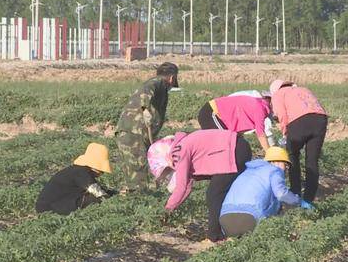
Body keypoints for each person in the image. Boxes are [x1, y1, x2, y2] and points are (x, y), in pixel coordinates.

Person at [148, 130, 252, 242]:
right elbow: (186, 186)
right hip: (236, 148)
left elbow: (181, 187)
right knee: (219, 191)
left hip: (234, 150)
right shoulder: (181, 145)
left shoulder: (178, 152)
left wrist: (166, 210)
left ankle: (215, 237)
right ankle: (232, 228)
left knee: (214, 194)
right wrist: (170, 209)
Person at [115, 62, 179, 194]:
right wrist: (145, 109)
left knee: (134, 171)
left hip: (132, 134)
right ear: (172, 78)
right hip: (133, 133)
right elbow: (146, 91)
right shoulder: (157, 82)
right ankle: (140, 203)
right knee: (138, 173)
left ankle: (136, 199)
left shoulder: (160, 87)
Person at [269, 79, 327, 209]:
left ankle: (295, 193)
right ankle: (308, 200)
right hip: (320, 119)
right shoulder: (304, 89)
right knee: (312, 161)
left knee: (292, 155)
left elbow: (282, 116)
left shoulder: (279, 94)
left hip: (300, 121)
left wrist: (285, 133)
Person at [219, 147, 301, 237]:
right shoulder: (274, 171)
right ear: (277, 162)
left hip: (225, 219)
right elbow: (281, 194)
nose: (286, 169)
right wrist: (298, 201)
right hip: (250, 218)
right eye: (286, 165)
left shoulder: (247, 171)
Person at [36, 143, 116, 215]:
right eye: (101, 171)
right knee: (94, 199)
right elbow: (98, 193)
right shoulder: (81, 172)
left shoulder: (78, 170)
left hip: (50, 205)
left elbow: (98, 188)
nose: (101, 174)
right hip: (50, 208)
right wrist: (113, 199)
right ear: (96, 168)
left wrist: (114, 193)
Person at [197, 93, 272, 152]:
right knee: (224, 143)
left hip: (219, 117)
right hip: (211, 112)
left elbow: (239, 125)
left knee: (233, 145)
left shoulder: (259, 104)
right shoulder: (260, 108)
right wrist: (271, 155)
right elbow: (261, 134)